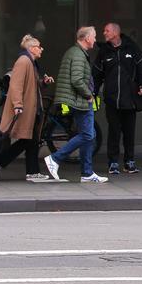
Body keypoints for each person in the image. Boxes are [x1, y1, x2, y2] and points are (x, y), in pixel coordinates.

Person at [44, 26, 106, 183]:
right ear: (86, 38)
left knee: (88, 135)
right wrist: (88, 95)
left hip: (77, 100)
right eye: (94, 36)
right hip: (80, 101)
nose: (95, 39)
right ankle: (55, 158)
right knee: (87, 135)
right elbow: (77, 80)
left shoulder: (75, 52)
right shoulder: (78, 55)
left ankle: (87, 173)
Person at [93, 22, 142, 175]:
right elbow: (96, 74)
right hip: (112, 100)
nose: (104, 33)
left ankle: (129, 161)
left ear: (115, 32)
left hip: (130, 99)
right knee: (114, 132)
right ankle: (113, 163)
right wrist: (92, 92)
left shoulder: (132, 48)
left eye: (107, 30)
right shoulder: (104, 52)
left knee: (129, 132)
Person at [0, 35, 53, 182]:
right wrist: (18, 105)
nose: (42, 49)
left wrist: (44, 83)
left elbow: (31, 86)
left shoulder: (30, 62)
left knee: (32, 141)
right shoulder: (23, 62)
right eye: (39, 46)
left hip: (33, 110)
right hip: (26, 110)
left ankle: (32, 172)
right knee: (26, 141)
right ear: (32, 49)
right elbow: (16, 85)